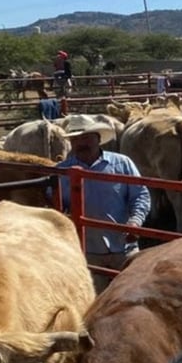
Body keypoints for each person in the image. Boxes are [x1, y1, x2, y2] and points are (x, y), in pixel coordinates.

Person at [56, 115, 151, 293]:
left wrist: (135, 222)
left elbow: (140, 195)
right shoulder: (61, 171)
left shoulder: (122, 163)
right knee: (95, 302)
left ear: (98, 139)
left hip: (124, 246)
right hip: (87, 250)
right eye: (75, 139)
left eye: (86, 138)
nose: (81, 143)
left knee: (132, 297)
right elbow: (55, 206)